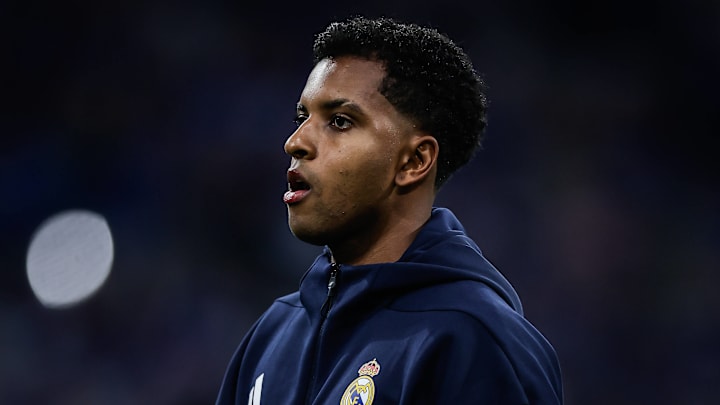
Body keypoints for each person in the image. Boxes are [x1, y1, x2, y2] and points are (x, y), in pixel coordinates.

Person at [217, 16, 563, 405]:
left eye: (340, 121)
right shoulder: (270, 335)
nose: (295, 142)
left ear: (414, 161)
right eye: (302, 118)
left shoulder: (472, 341)